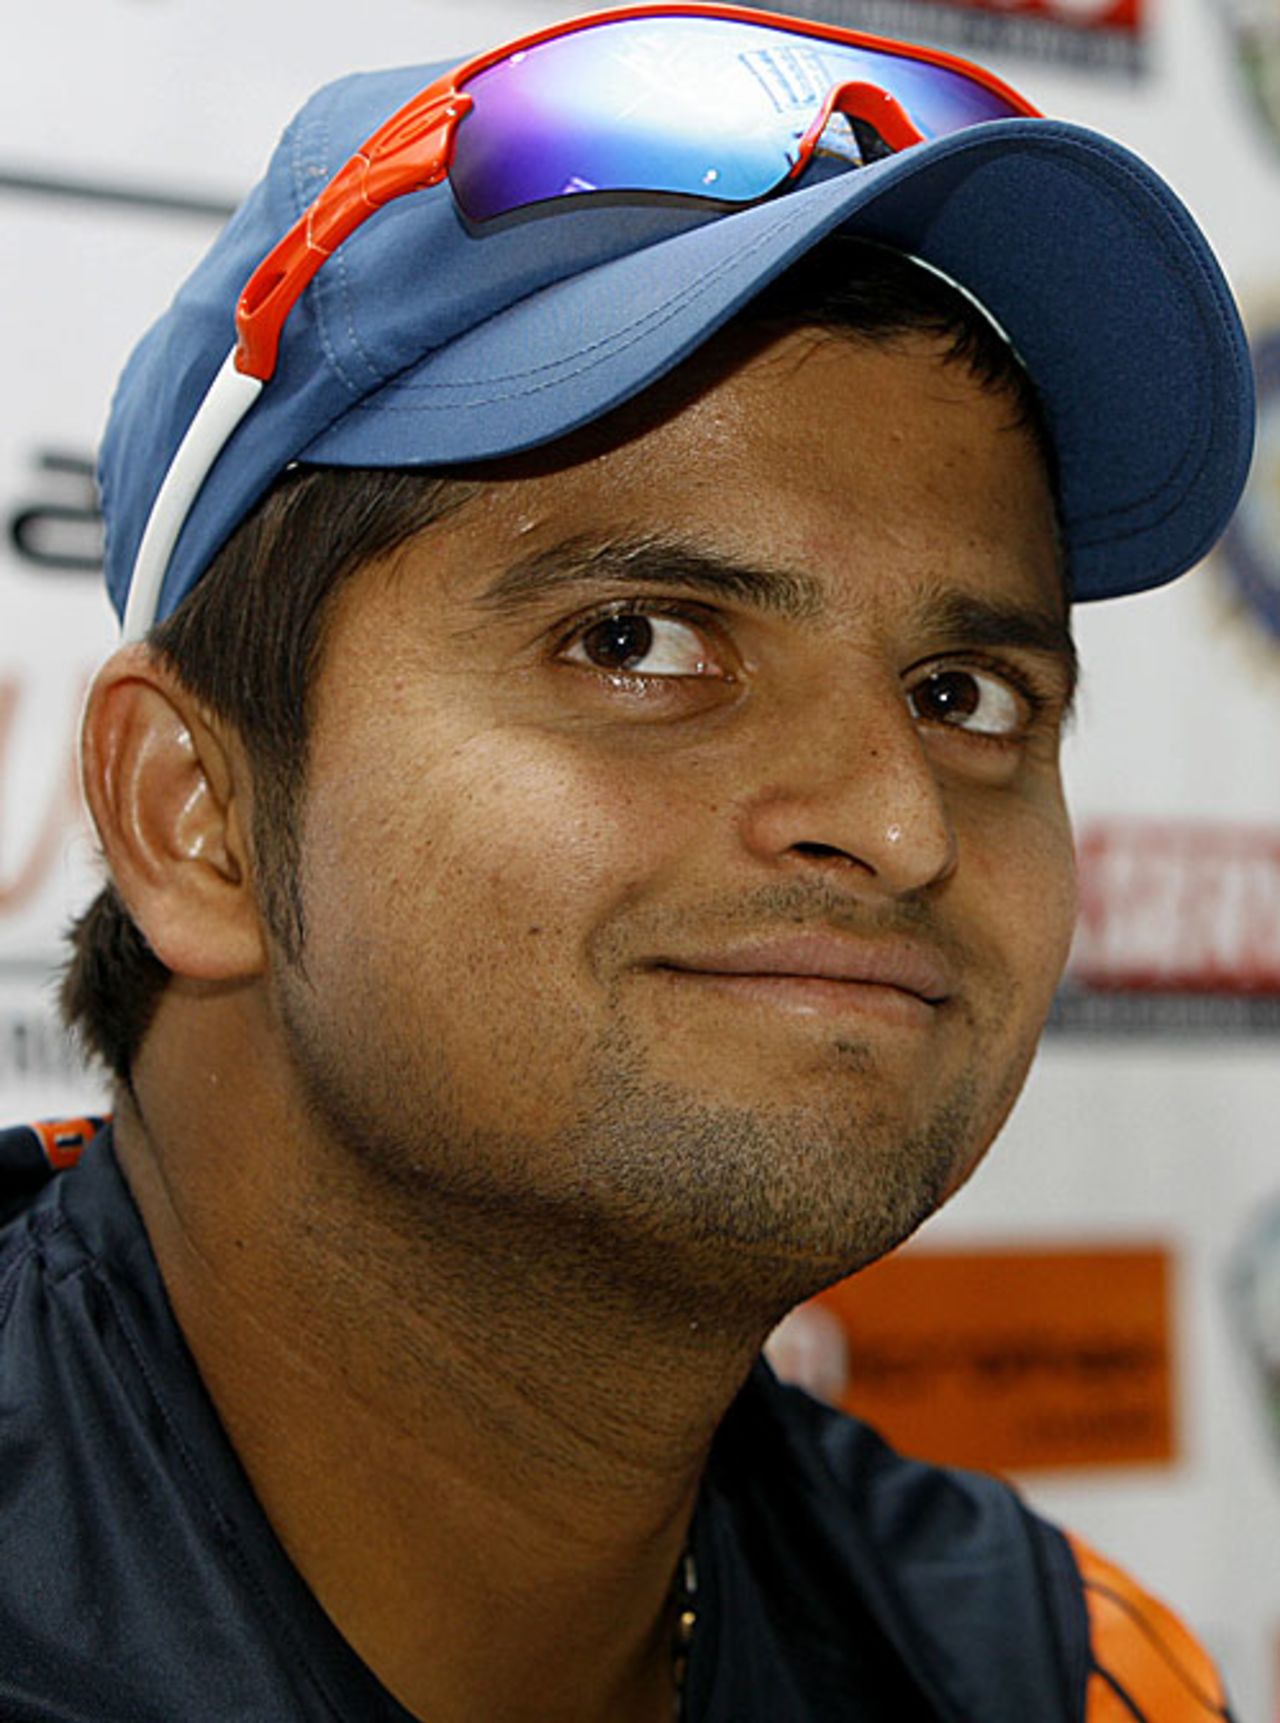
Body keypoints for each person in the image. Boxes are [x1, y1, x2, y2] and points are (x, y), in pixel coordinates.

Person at [0, 7, 1253, 1720]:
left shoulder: (1055, 1672)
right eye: (639, 640)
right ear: (192, 815)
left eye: (964, 695)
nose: (895, 822)